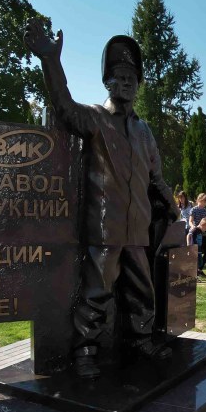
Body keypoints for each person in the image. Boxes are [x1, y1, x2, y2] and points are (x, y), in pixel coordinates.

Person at [24, 22, 180, 376]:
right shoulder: (94, 118)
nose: (125, 83)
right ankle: (85, 350)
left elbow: (156, 177)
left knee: (143, 292)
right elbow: (63, 105)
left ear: (139, 85)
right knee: (97, 292)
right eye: (118, 77)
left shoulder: (144, 132)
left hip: (137, 230)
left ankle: (141, 339)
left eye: (131, 78)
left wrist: (171, 205)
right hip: (105, 230)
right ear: (107, 82)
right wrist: (50, 60)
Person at [188, 192, 206, 277]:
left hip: (203, 234)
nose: (205, 203)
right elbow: (190, 221)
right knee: (195, 252)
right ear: (199, 200)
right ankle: (195, 270)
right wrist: (193, 227)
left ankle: (199, 269)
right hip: (196, 233)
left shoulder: (205, 210)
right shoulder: (194, 209)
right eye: (204, 201)